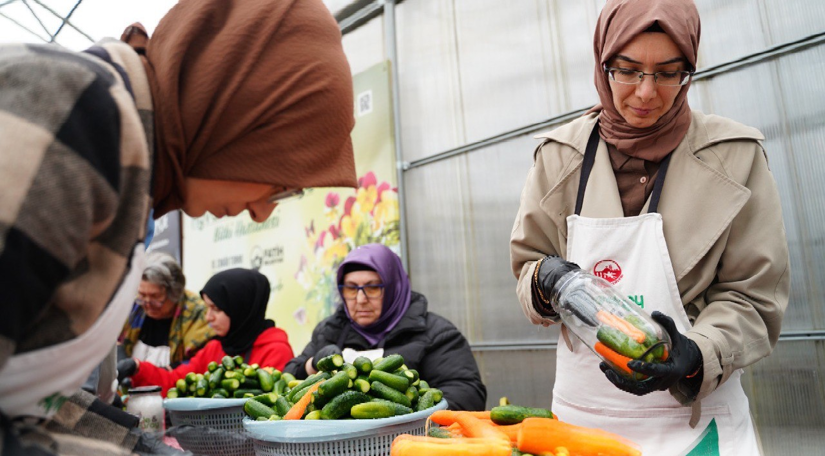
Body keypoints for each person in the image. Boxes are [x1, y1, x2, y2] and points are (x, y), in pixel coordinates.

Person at [0, 0, 355, 453]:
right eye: (282, 182)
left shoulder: (131, 175)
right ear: (238, 115)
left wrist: (132, 445)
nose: (264, 212)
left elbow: (29, 403)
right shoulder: (76, 115)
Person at [509, 0, 789, 454]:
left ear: (689, 71)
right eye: (628, 70)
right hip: (583, 424)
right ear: (604, 63)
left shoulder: (735, 157)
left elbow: (754, 294)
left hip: (699, 423)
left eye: (667, 72)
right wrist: (543, 281)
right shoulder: (560, 156)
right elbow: (527, 265)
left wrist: (697, 354)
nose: (645, 92)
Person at [284, 244, 487, 411]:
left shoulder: (435, 333)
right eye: (351, 288)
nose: (360, 300)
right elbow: (287, 382)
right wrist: (312, 364)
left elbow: (467, 393)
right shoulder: (330, 330)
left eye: (373, 288)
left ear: (393, 288)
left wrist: (406, 412)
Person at [119, 268, 294, 395]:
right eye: (207, 308)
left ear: (239, 309)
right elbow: (174, 381)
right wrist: (138, 368)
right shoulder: (215, 347)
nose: (208, 317)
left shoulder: (275, 350)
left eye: (216, 309)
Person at [120, 252, 214, 369]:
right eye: (142, 295)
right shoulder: (134, 308)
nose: (147, 304)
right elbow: (117, 343)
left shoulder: (197, 314)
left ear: (174, 292)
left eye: (155, 297)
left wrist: (157, 374)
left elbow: (202, 361)